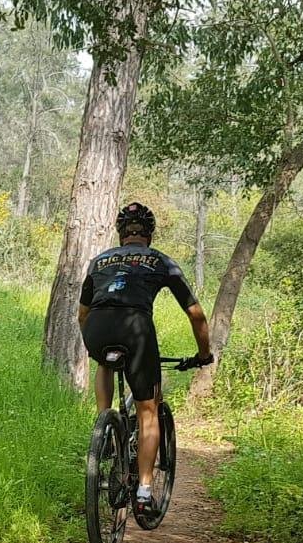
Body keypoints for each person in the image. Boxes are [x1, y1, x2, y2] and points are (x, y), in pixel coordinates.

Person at [77, 202, 212, 518]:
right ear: (149, 234)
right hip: (136, 329)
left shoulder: (99, 261)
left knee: (104, 362)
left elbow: (83, 314)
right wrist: (204, 354)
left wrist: (93, 343)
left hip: (96, 327)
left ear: (120, 233)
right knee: (147, 410)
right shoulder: (161, 261)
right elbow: (196, 314)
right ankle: (144, 492)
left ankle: (104, 426)